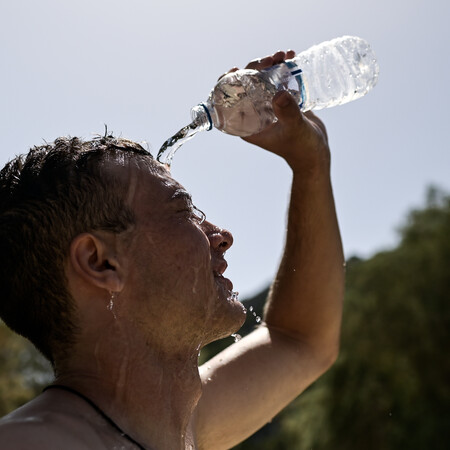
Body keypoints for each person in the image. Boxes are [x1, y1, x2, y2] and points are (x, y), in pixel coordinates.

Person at [0, 51, 344, 449]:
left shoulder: (174, 428)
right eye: (184, 211)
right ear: (101, 262)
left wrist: (311, 164)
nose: (222, 234)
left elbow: (302, 340)